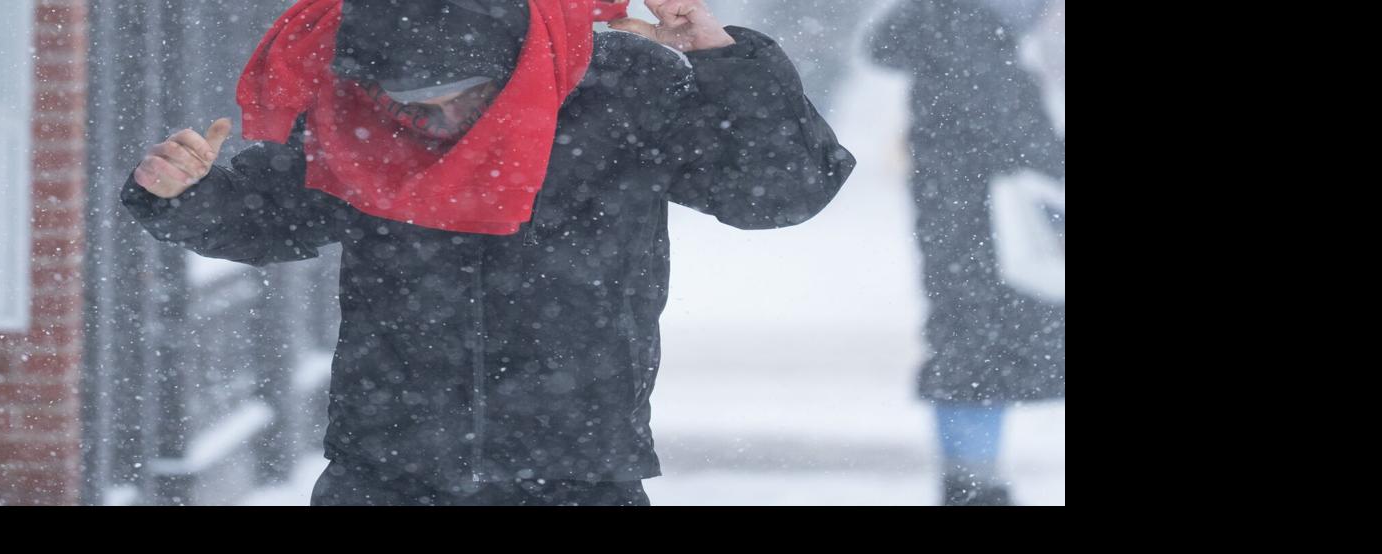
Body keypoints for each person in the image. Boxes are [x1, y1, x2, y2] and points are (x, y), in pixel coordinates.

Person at [122, 0, 855, 506]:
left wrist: (724, 62)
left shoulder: (623, 90)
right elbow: (275, 216)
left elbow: (775, 195)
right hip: (388, 469)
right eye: (413, 101)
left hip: (577, 470)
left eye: (460, 95)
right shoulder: (369, 123)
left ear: (514, 66)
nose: (436, 119)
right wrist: (183, 194)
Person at [869, 0, 1064, 506]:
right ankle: (974, 487)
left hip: (966, 224)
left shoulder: (953, 30)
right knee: (978, 349)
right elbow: (1013, 136)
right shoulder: (969, 32)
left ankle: (973, 481)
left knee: (970, 348)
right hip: (990, 227)